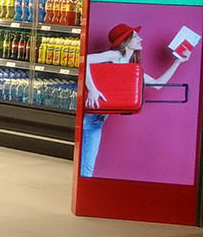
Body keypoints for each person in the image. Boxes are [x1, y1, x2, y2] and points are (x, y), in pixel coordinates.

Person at [80, 23, 189, 178]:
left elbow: (157, 85)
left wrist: (177, 62)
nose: (141, 39)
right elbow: (83, 60)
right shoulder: (115, 55)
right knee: (86, 170)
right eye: (135, 36)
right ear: (125, 40)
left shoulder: (131, 67)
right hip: (88, 121)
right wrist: (92, 89)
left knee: (86, 170)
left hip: (96, 122)